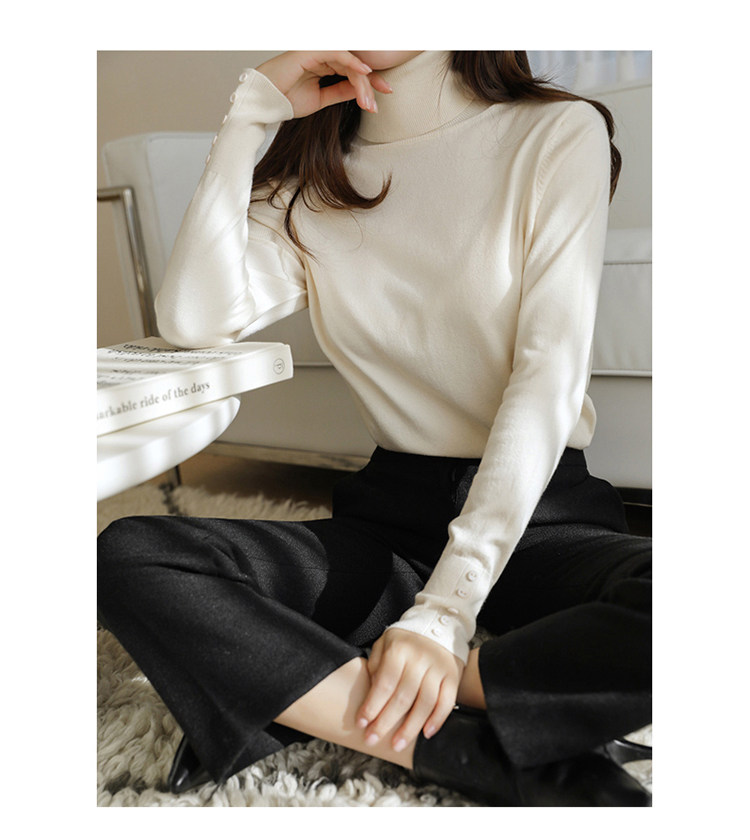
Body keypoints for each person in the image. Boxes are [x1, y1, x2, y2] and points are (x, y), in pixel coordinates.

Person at [98, 50, 652, 807]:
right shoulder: (313, 181)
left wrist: (443, 619)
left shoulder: (556, 132)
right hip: (390, 524)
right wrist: (252, 113)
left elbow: (546, 380)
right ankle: (457, 750)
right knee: (131, 552)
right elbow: (194, 320)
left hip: (539, 516)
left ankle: (358, 688)